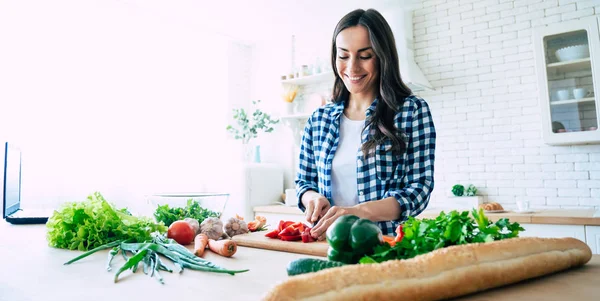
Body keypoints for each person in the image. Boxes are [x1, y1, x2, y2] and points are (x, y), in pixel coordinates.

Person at [295, 8, 436, 238]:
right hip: (326, 245)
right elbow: (304, 181)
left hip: (384, 246)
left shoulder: (411, 111)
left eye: (364, 55)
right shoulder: (318, 120)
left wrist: (357, 212)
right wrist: (312, 197)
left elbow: (417, 191)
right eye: (343, 55)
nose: (352, 68)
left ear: (382, 56)